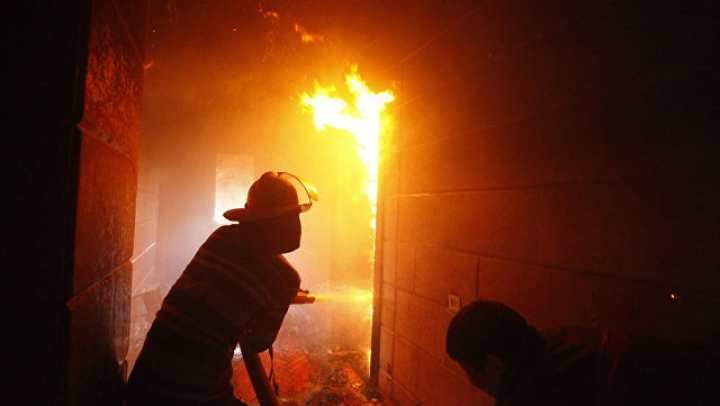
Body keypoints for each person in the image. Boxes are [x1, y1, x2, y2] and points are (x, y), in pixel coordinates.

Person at [125, 171, 318, 406]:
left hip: (143, 385)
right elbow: (258, 342)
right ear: (282, 220)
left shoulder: (221, 237)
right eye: (293, 215)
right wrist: (278, 300)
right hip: (193, 396)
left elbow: (228, 287)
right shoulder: (285, 278)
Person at [446, 300, 720, 406]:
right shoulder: (557, 343)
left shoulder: (538, 389)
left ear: (493, 364)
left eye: (469, 371)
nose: (473, 382)